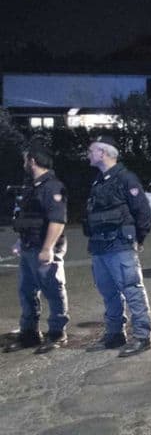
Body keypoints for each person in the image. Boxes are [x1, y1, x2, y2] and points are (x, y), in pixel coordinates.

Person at [84, 134, 151, 357]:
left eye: (92, 150)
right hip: (99, 246)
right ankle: (115, 334)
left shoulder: (126, 178)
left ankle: (142, 337)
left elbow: (143, 212)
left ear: (103, 153)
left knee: (132, 290)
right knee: (108, 292)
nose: (89, 154)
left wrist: (138, 239)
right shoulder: (98, 180)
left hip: (120, 244)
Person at [5, 141, 70, 353]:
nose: (24, 163)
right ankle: (29, 334)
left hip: (44, 248)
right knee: (26, 292)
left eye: (25, 159)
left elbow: (57, 221)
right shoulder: (34, 187)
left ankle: (57, 334)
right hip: (29, 246)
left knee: (53, 290)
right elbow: (28, 218)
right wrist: (20, 241)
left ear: (32, 161)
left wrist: (47, 248)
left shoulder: (53, 186)